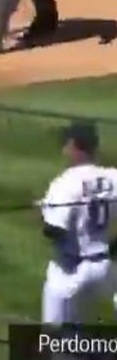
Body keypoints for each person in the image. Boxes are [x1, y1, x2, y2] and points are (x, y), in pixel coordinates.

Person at [38, 122, 117, 325]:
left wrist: (41, 213)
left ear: (74, 145)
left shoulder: (65, 183)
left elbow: (54, 230)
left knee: (56, 337)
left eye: (66, 143)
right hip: (105, 268)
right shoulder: (113, 177)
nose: (63, 148)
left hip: (72, 271)